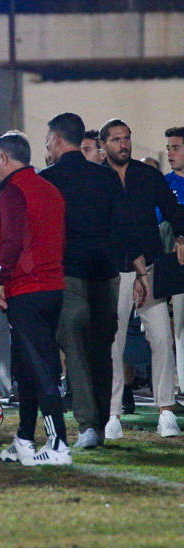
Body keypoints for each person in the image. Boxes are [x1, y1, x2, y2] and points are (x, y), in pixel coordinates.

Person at [40, 112, 147, 448]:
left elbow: (43, 232)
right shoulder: (106, 179)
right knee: (101, 348)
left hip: (68, 273)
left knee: (74, 348)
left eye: (48, 140)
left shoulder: (49, 180)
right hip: (106, 272)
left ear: (57, 140)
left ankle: (88, 425)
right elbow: (124, 226)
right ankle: (99, 423)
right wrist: (137, 270)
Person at [0, 131, 70, 466]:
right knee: (26, 366)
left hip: (28, 287)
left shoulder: (13, 191)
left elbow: (11, 241)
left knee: (39, 367)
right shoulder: (49, 189)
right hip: (52, 286)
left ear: (5, 158)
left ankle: (58, 443)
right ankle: (24, 438)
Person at [102, 119, 184, 438]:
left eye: (127, 138)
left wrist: (180, 236)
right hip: (115, 271)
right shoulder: (98, 179)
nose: (124, 144)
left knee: (162, 337)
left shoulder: (147, 175)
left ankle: (165, 409)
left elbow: (172, 208)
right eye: (116, 139)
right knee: (114, 341)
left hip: (149, 268)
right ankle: (112, 414)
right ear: (104, 144)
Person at [165, 127, 184, 394]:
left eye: (176, 148)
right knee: (179, 326)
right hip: (176, 265)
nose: (169, 153)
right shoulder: (164, 184)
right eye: (168, 148)